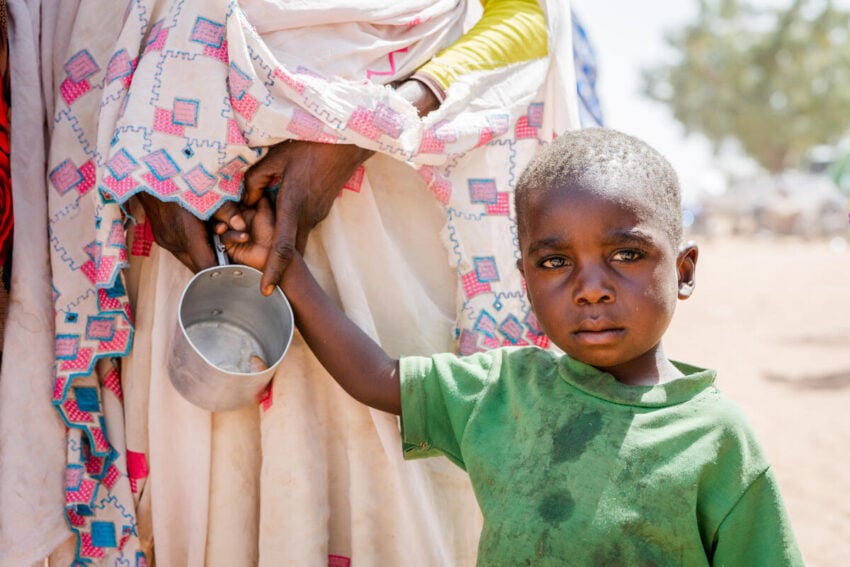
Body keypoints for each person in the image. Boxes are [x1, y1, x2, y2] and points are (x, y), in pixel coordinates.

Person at [0, 0, 582, 565]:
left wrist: (366, 130)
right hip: (179, 220)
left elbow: (526, 17)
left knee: (400, 490)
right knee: (211, 496)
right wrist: (148, 158)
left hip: (400, 203)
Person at [225, 127, 805, 565]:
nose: (591, 290)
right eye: (556, 263)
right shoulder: (503, 391)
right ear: (525, 280)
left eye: (626, 255)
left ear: (683, 269)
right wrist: (288, 269)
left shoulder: (717, 439)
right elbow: (375, 376)